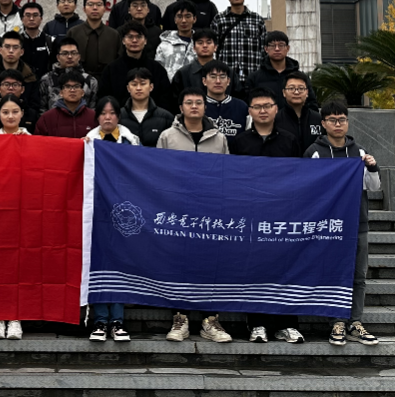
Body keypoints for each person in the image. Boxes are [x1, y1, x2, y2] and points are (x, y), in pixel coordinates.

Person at [156, 87, 232, 344]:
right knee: (179, 264)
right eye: (189, 102)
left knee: (210, 265)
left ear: (205, 106)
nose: (194, 106)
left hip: (210, 212)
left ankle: (210, 320)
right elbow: (159, 173)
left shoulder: (219, 138)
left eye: (198, 102)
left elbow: (226, 174)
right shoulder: (167, 136)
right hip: (178, 211)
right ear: (181, 108)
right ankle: (181, 319)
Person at [304, 100, 381, 348]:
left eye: (342, 120)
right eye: (332, 120)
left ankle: (355, 321)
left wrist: (372, 167)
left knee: (358, 275)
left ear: (347, 122)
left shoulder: (359, 152)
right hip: (329, 227)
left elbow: (374, 187)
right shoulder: (314, 152)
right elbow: (308, 188)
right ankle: (337, 322)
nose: (338, 124)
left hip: (357, 223)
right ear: (323, 124)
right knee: (333, 273)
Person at [229, 88, 302, 344]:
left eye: (267, 106)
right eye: (257, 107)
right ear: (249, 111)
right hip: (250, 216)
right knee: (254, 270)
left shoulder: (290, 141)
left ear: (276, 109)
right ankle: (257, 324)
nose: (262, 111)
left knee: (286, 269)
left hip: (282, 215)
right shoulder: (239, 142)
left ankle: (287, 324)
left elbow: (299, 177)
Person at [82, 95, 137, 343]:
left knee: (119, 264)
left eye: (112, 113)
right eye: (103, 113)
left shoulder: (130, 141)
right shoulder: (88, 141)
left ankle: (117, 321)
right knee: (98, 264)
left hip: (124, 212)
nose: (107, 117)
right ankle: (100, 320)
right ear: (97, 117)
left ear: (118, 116)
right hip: (97, 212)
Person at [0, 94, 29, 340]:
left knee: (19, 265)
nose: (11, 116)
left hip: (23, 210)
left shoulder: (32, 141)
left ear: (22, 114)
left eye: (15, 111)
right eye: (6, 112)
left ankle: (15, 317)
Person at [99, 21, 174, 113]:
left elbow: (165, 99)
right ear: (123, 40)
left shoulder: (157, 69)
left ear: (145, 40)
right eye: (130, 37)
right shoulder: (111, 70)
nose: (134, 40)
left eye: (139, 37)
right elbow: (105, 99)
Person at [210, 0, 268, 88]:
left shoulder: (257, 20)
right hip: (226, 78)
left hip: (253, 76)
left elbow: (264, 49)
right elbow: (213, 48)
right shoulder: (219, 19)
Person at [247, 31, 318, 110]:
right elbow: (248, 104)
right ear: (266, 49)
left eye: (281, 45)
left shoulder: (300, 77)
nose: (277, 49)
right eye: (273, 46)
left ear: (287, 48)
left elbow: (312, 104)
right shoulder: (254, 77)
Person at [0, 33, 40, 115]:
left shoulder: (31, 76)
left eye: (15, 47)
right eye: (7, 47)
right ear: (0, 50)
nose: (11, 51)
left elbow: (35, 108)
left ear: (22, 52)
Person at [67, 0, 122, 77]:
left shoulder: (114, 34)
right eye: (90, 4)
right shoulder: (73, 32)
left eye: (99, 5)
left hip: (107, 79)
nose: (95, 8)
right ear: (84, 9)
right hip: (78, 79)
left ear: (104, 9)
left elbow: (119, 61)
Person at [37, 37, 99, 112]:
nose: (69, 57)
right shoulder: (47, 80)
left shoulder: (90, 81)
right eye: (65, 53)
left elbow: (93, 109)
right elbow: (42, 109)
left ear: (79, 57)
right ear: (58, 57)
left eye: (73, 53)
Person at [200, 60, 249, 148]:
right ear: (204, 81)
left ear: (228, 81)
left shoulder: (241, 107)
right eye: (213, 77)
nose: (218, 81)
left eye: (222, 77)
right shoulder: (197, 106)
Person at [120, 67, 173, 148]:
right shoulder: (119, 116)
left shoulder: (166, 118)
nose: (138, 88)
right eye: (134, 84)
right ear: (128, 88)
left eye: (143, 83)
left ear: (151, 87)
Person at [35, 70, 96, 137]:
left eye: (76, 86)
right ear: (61, 93)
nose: (72, 90)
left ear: (82, 92)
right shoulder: (47, 118)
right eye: (67, 86)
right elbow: (38, 141)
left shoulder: (93, 117)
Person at [0, 69, 40, 133]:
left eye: (15, 85)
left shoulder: (31, 114)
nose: (10, 88)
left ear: (22, 89)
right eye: (6, 84)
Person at [275, 71, 323, 154]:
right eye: (291, 88)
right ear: (284, 93)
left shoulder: (318, 118)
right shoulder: (276, 119)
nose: (296, 92)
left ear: (307, 92)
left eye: (301, 88)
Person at [170, 29, 219, 100]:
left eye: (208, 42)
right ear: (194, 48)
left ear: (215, 47)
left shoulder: (227, 72)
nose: (205, 46)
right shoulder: (183, 73)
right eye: (200, 43)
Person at [155, 1, 197, 81]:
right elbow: (158, 70)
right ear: (175, 19)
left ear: (194, 19)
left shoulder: (201, 44)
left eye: (188, 16)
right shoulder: (165, 45)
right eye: (179, 16)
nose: (184, 20)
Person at [19, 2, 55, 78]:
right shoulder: (16, 41)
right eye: (28, 15)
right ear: (22, 19)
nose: (31, 19)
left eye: (35, 15)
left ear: (41, 19)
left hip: (45, 83)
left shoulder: (50, 41)